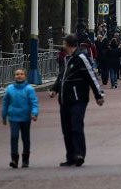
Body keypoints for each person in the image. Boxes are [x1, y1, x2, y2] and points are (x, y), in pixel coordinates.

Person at [49, 34, 104, 167]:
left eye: (64, 43)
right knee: (66, 129)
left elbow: (91, 75)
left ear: (68, 44)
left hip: (78, 98)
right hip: (64, 99)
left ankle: (79, 154)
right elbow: (61, 76)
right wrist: (55, 89)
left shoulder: (81, 57)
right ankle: (70, 156)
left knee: (76, 125)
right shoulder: (66, 58)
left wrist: (99, 95)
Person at [1, 68, 39, 168]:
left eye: (21, 74)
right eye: (17, 74)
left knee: (25, 138)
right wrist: (4, 115)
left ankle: (25, 159)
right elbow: (5, 103)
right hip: (13, 117)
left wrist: (34, 113)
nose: (19, 76)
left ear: (25, 76)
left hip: (26, 117)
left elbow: (34, 102)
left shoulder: (29, 89)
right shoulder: (9, 89)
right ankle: (14, 159)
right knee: (14, 137)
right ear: (14, 76)